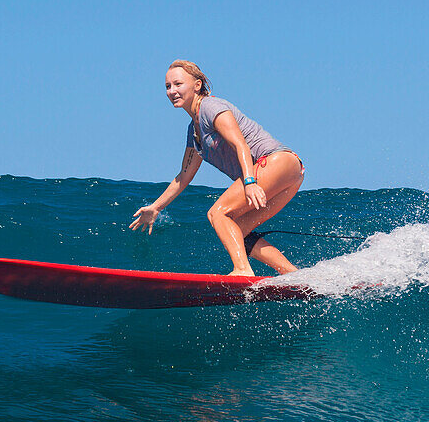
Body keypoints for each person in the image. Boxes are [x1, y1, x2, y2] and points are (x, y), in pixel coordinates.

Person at [129, 60, 305, 276]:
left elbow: (240, 143)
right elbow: (183, 177)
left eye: (178, 84)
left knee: (217, 213)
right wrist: (156, 207)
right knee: (238, 232)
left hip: (276, 161)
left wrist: (249, 182)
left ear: (197, 85)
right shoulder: (194, 131)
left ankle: (242, 269)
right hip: (290, 174)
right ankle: (292, 274)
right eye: (168, 86)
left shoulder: (211, 107)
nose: (172, 91)